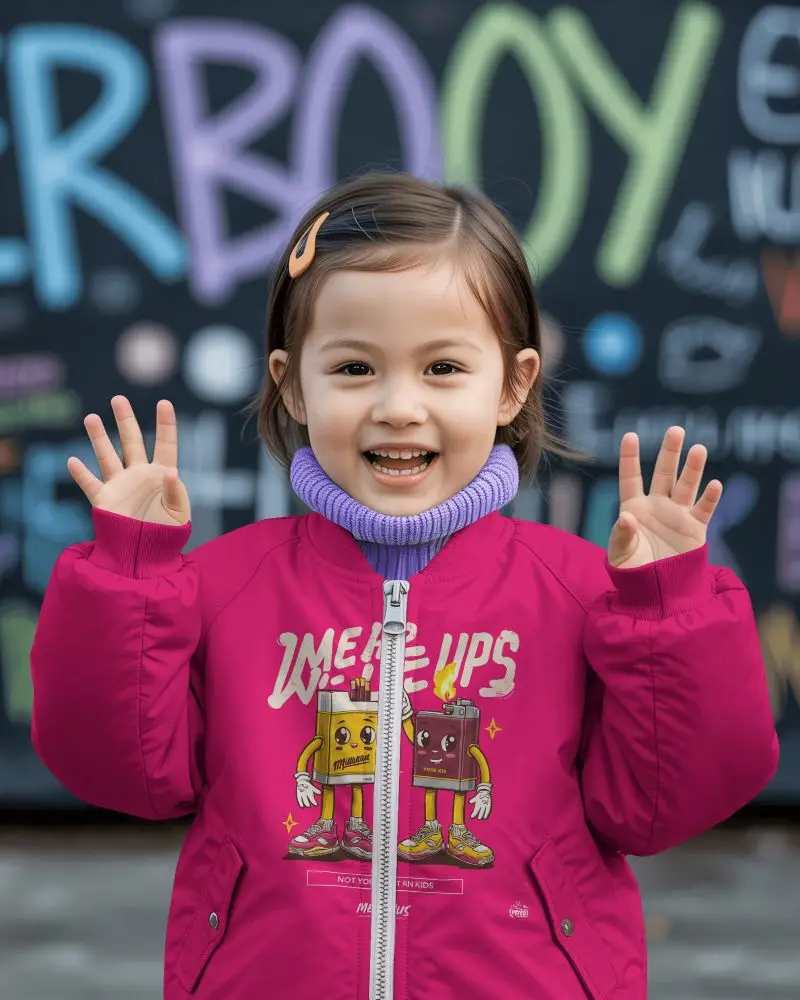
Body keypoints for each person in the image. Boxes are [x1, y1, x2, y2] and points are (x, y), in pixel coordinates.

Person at [30, 172, 778, 1000]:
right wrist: (131, 576)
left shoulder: (580, 594)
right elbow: (120, 773)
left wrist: (669, 611)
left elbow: (665, 804)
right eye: (354, 367)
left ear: (512, 385)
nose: (397, 406)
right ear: (290, 383)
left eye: (443, 367)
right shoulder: (220, 587)